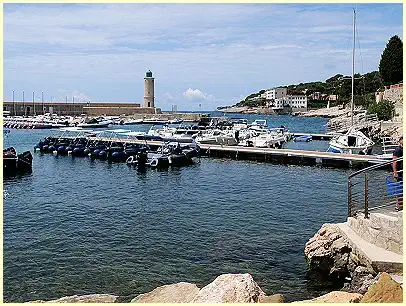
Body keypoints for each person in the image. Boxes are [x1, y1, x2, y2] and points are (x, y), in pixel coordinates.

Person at [392, 136, 403, 211]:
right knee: (400, 189)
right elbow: (394, 161)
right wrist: (395, 172)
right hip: (400, 173)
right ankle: (399, 205)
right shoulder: (398, 150)